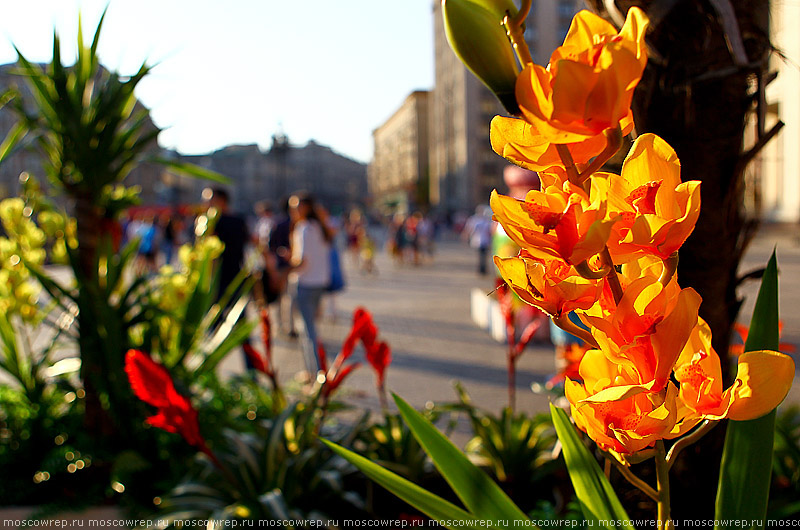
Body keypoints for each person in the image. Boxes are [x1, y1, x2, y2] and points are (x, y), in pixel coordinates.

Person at [288, 192, 333, 375]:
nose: (293, 211)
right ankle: (315, 371)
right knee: (312, 328)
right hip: (320, 282)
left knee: (308, 332)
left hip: (305, 283)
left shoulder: (304, 228)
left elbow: (302, 261)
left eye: (295, 207)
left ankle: (315, 373)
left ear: (304, 208)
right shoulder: (320, 227)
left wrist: (286, 267)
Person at [464, 206, 493, 275]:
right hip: (479, 240)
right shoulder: (476, 220)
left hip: (483, 240)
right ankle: (482, 269)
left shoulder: (482, 220)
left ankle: (482, 269)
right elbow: (469, 229)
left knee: (482, 255)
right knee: (482, 255)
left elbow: (490, 230)